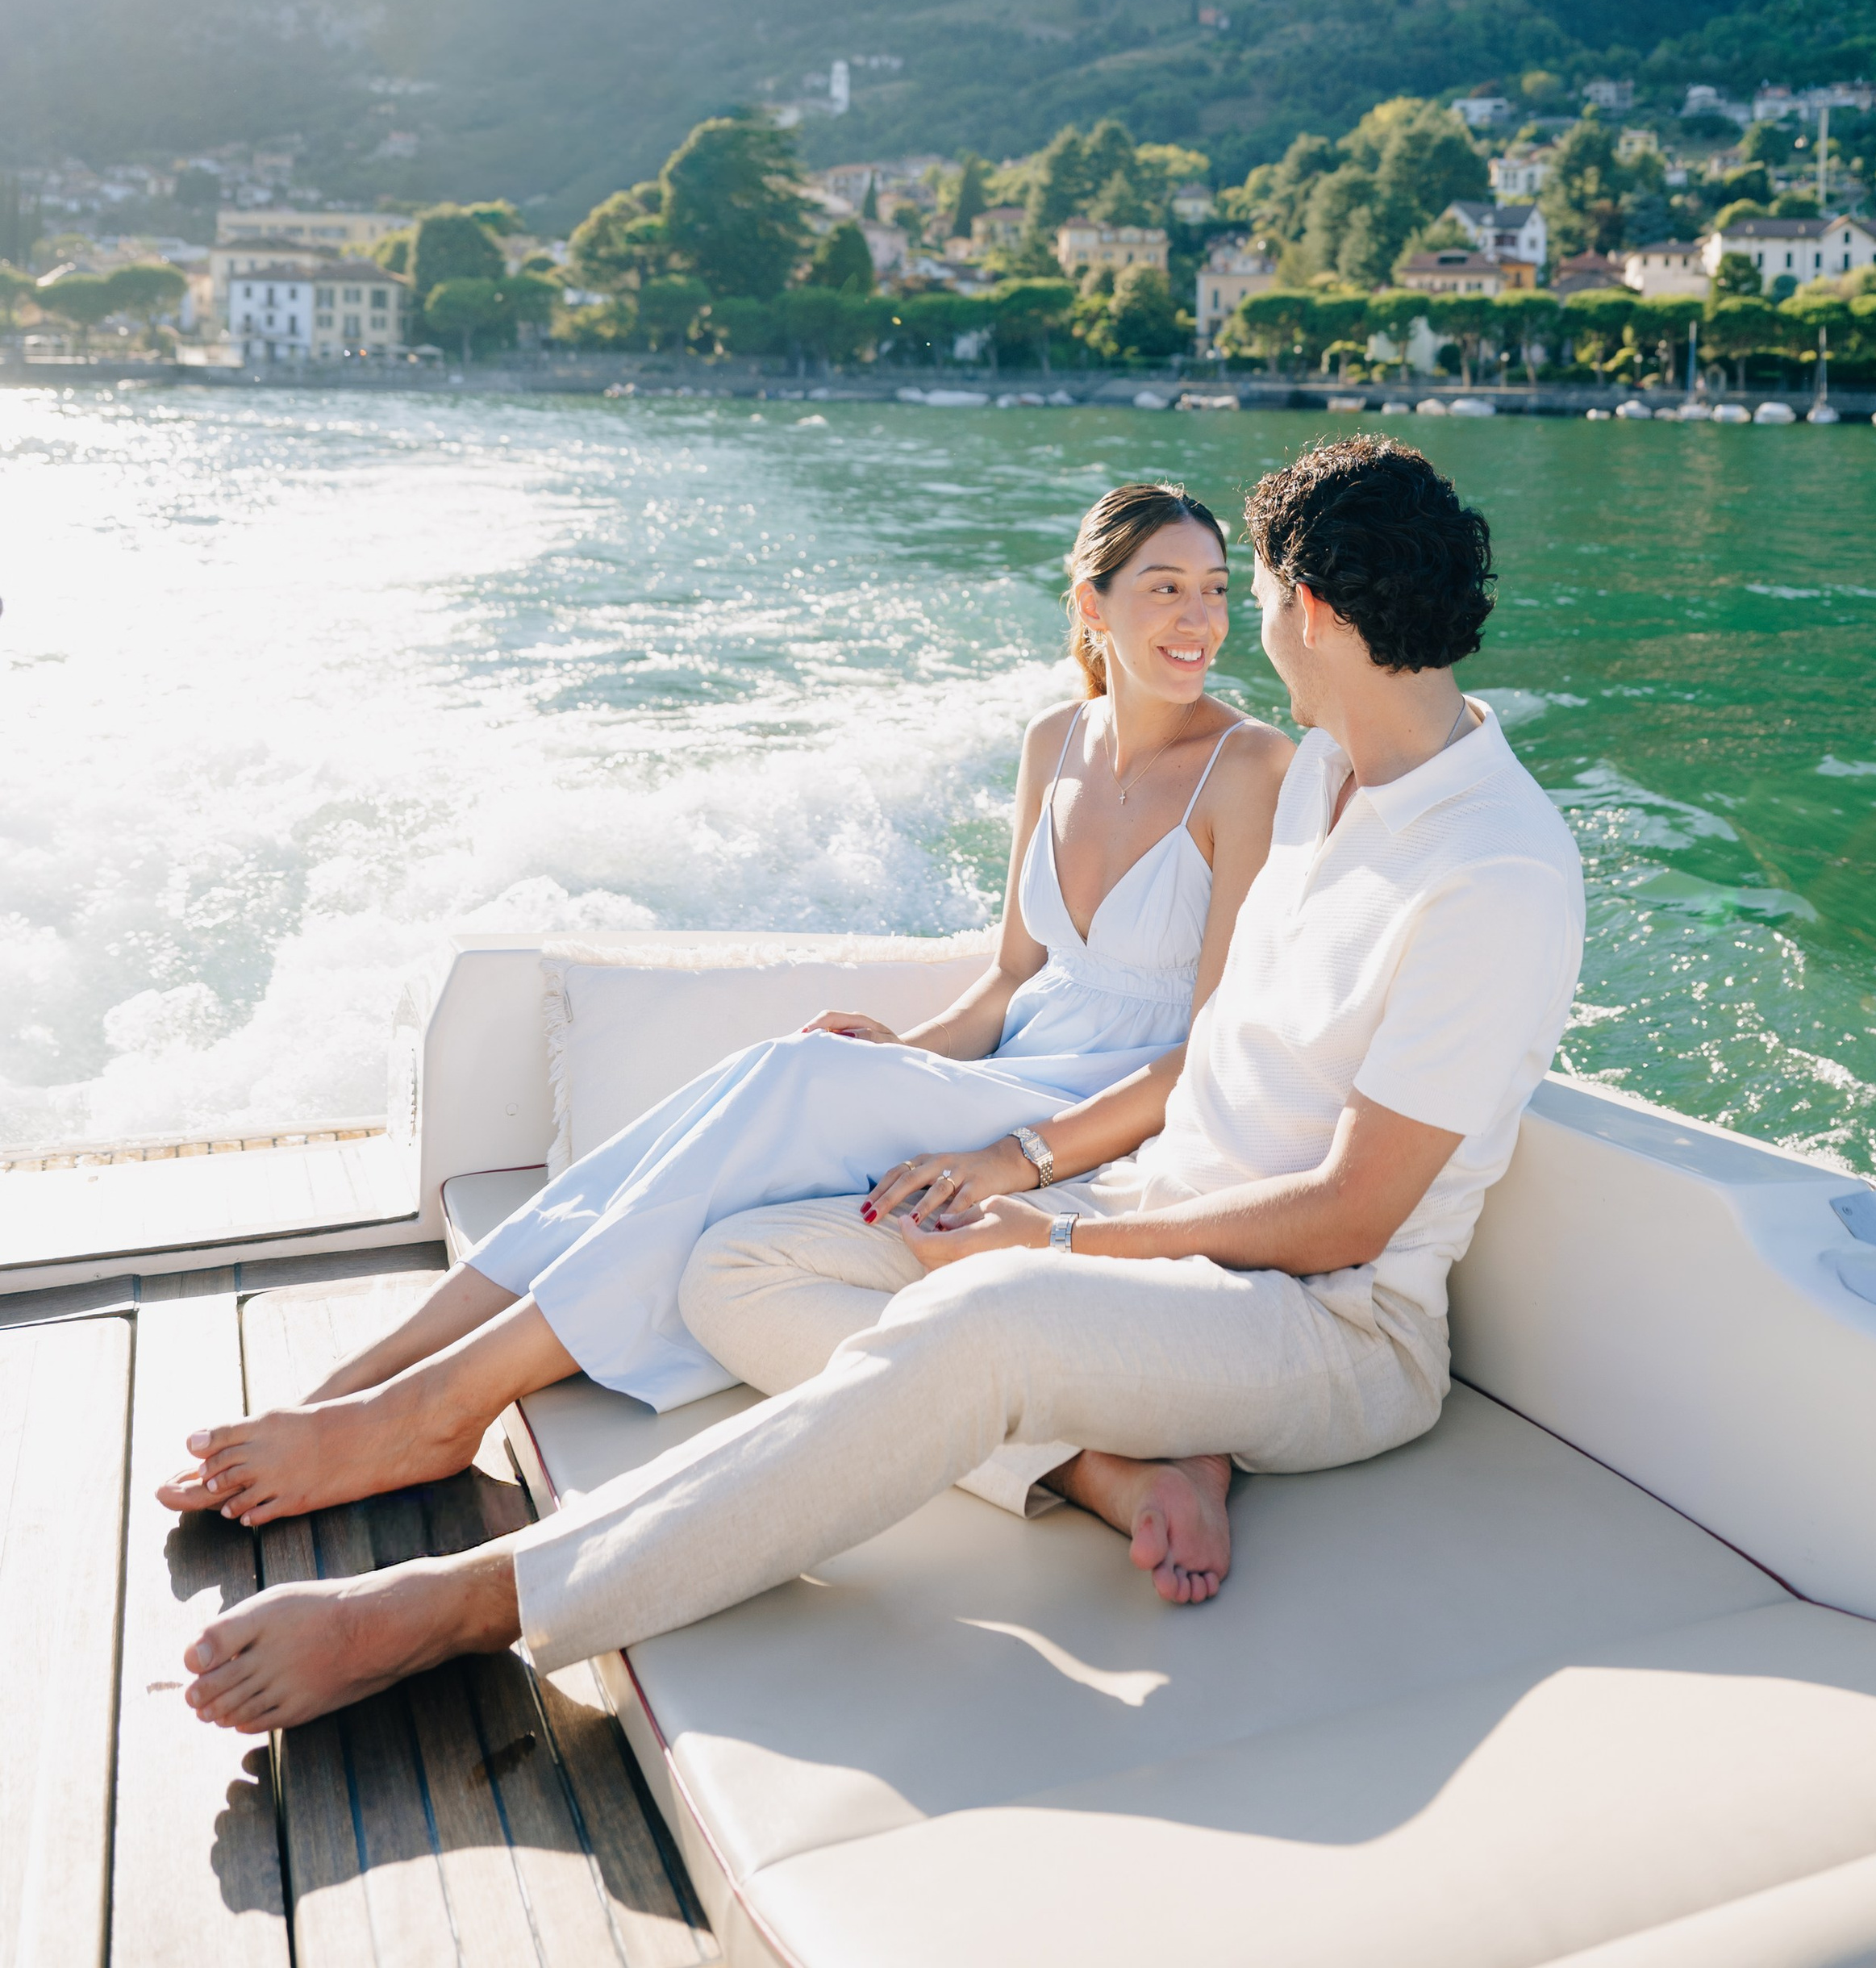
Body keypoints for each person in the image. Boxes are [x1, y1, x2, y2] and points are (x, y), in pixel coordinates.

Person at [179, 432, 1584, 1734]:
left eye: (1254, 594)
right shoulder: (1324, 774)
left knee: (987, 1310)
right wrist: (1052, 1192)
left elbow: (1349, 1217)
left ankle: (466, 1606)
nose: (1237, 629)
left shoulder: (1491, 870)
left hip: (1325, 1326)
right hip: (1159, 1221)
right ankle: (1111, 1463)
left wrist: (1058, 1234)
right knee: (737, 1266)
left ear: (1316, 612)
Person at [161, 478, 1289, 1502]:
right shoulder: (1056, 741)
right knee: (783, 1072)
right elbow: (1011, 977)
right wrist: (902, 1055)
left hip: (1106, 1104)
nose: (1198, 621)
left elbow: (1207, 1050)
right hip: (1012, 1067)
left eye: (1215, 591)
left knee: (786, 1079)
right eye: (1164, 589)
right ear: (1091, 606)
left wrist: (1024, 1156)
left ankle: (429, 1410)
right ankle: (367, 1384)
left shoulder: (1249, 766)